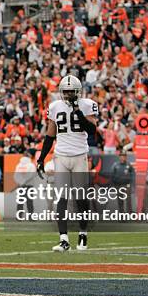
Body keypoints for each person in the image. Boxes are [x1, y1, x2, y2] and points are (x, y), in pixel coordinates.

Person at [37, 75, 98, 252]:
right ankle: (63, 239)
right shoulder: (55, 106)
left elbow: (93, 130)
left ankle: (83, 234)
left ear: (78, 91)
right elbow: (50, 135)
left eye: (72, 91)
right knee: (60, 198)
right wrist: (41, 158)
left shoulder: (87, 104)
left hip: (80, 155)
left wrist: (79, 113)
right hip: (61, 156)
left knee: (81, 198)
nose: (69, 94)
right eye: (67, 91)